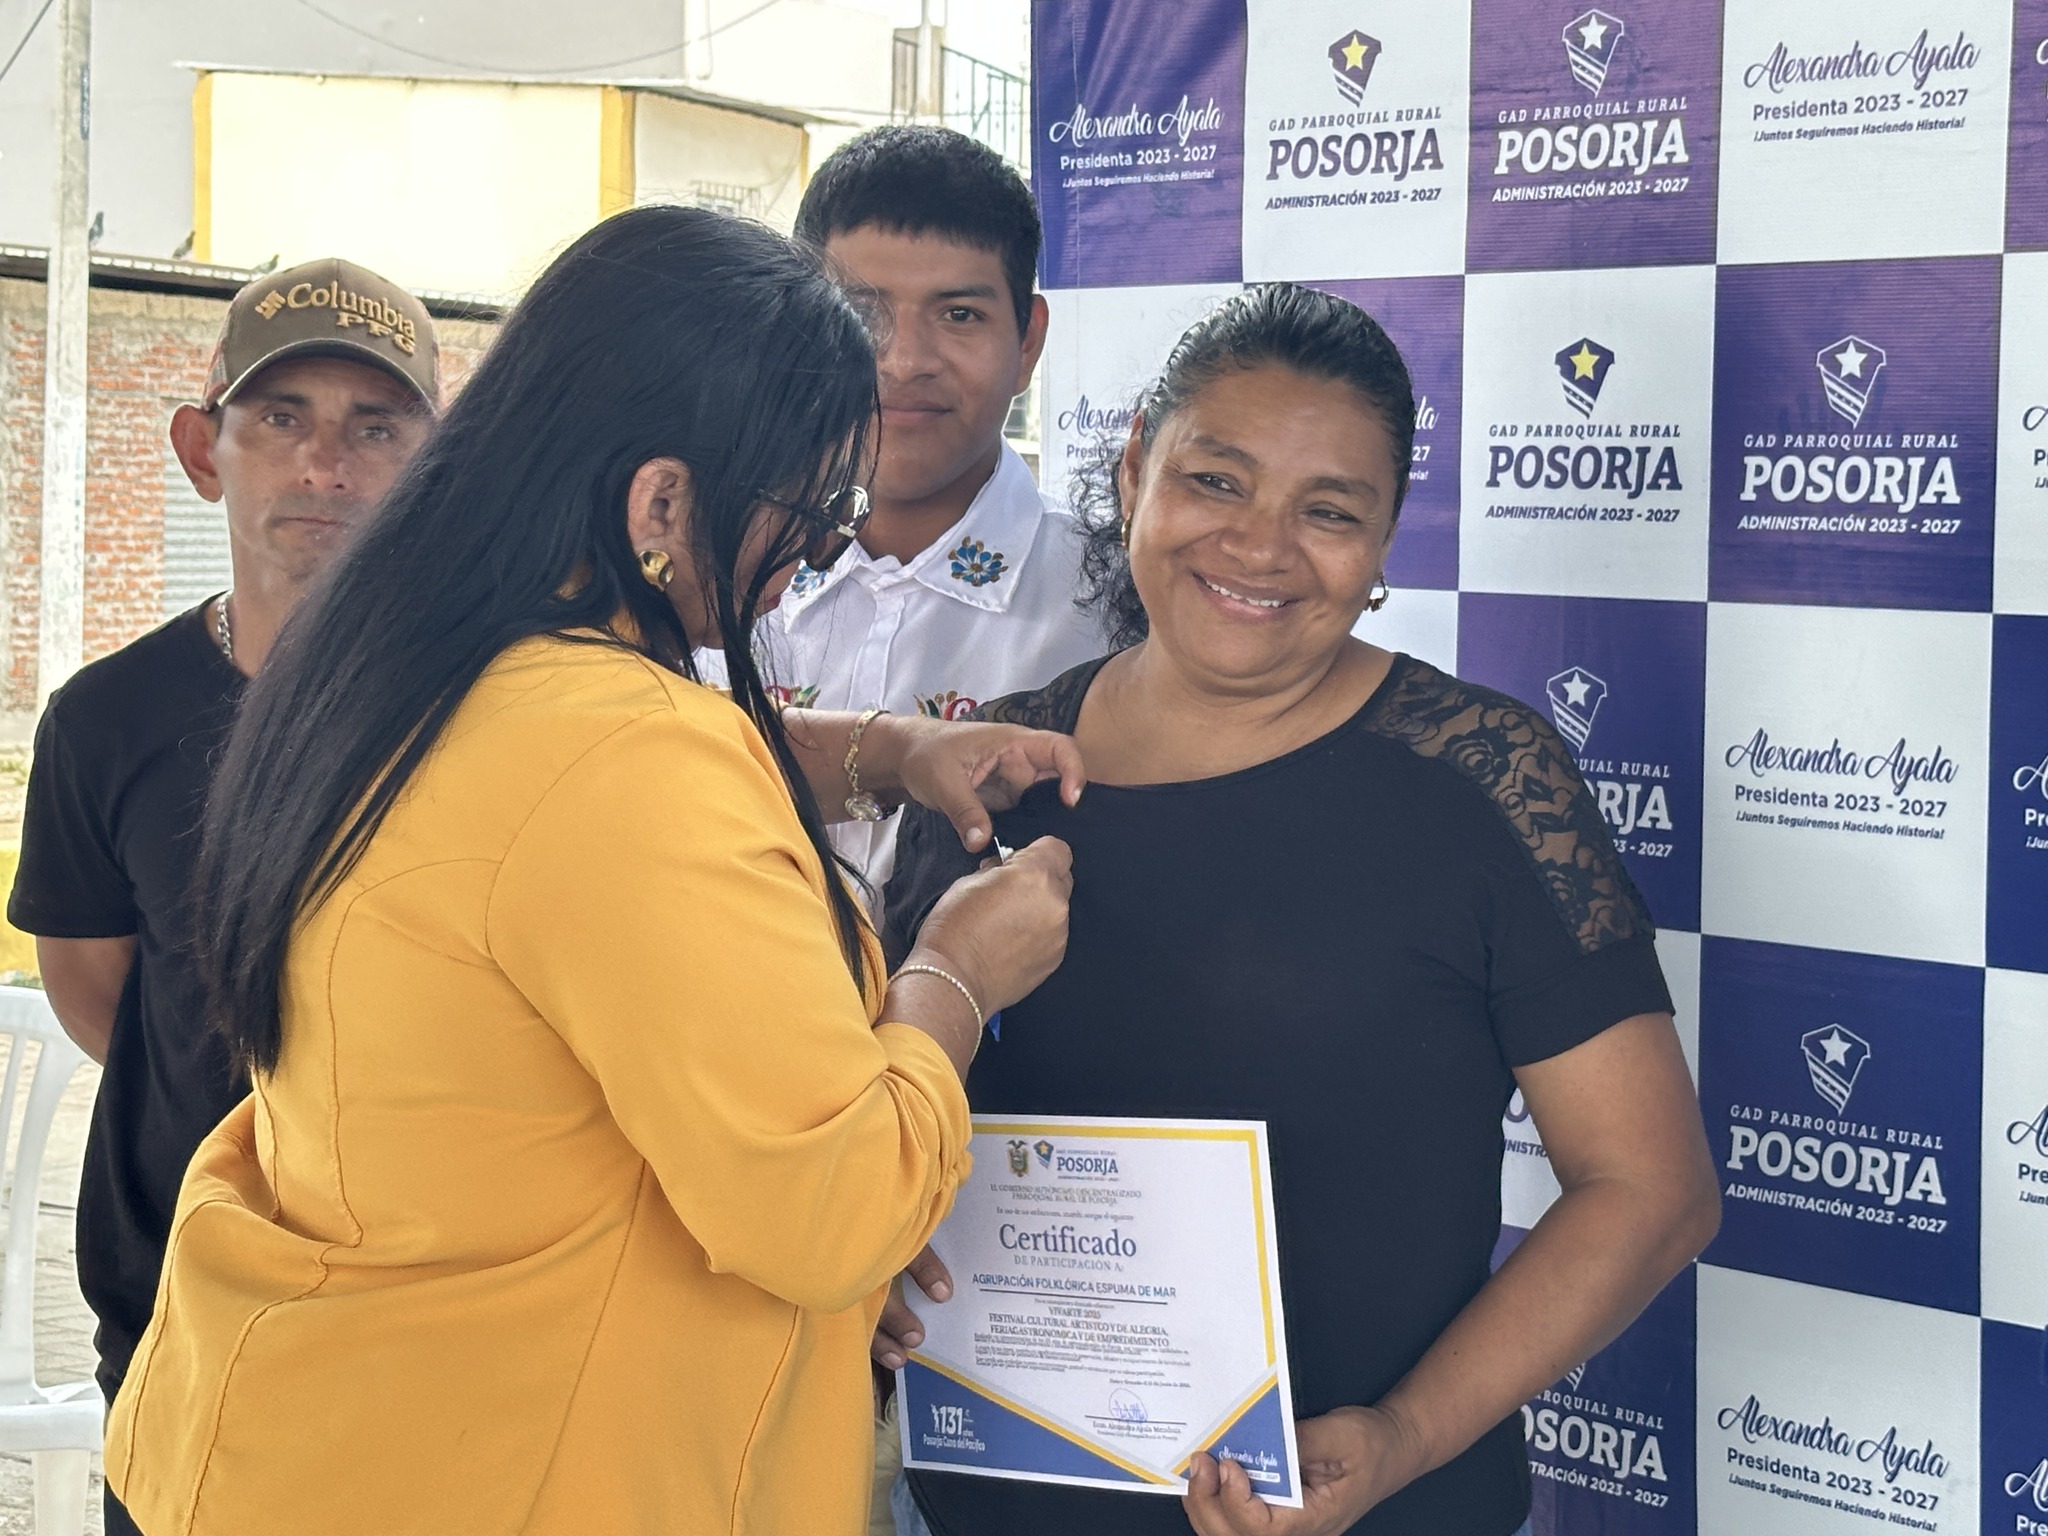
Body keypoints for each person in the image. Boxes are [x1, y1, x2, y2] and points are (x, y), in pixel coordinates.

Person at [103, 205, 1077, 1536]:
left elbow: (563, 836)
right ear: (663, 503)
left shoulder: (385, 664)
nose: (811, 560)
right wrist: (954, 971)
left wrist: (891, 756)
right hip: (509, 1476)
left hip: (308, 1433)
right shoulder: (624, 748)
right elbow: (829, 1212)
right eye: (811, 513)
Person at [880, 284, 1721, 1536]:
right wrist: (880, 1248)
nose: (1260, 546)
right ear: (1133, 471)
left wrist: (1402, 1437)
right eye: (1214, 481)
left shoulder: (1483, 779)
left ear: (1382, 545)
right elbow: (879, 1125)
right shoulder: (986, 778)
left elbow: (1650, 1188)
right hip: (990, 1505)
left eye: (1328, 511)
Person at [7, 257, 439, 1536]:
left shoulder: (494, 709)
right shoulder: (105, 721)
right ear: (205, 452)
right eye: (281, 419)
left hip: (433, 1327)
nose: (325, 467)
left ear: (437, 468)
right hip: (180, 1321)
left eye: (375, 427)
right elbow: (97, 990)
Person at [740, 124, 1104, 897]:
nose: (904, 361)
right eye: (859, 313)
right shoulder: (709, 579)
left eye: (959, 315)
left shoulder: (1112, 604)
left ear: (1028, 343)